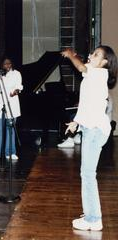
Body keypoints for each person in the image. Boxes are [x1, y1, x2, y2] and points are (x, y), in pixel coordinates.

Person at [62, 46, 117, 231]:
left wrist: (71, 54)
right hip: (91, 128)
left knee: (87, 174)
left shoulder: (99, 74)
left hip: (94, 131)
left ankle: (94, 219)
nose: (91, 55)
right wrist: (76, 122)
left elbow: (80, 67)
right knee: (87, 174)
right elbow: (87, 104)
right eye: (92, 53)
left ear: (104, 62)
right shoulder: (93, 76)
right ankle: (91, 214)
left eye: (95, 54)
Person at [0, 57, 23, 161]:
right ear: (2, 65)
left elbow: (18, 87)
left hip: (12, 104)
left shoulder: (17, 73)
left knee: (11, 129)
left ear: (11, 64)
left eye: (9, 63)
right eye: (5, 64)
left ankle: (10, 152)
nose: (7, 65)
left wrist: (15, 92)